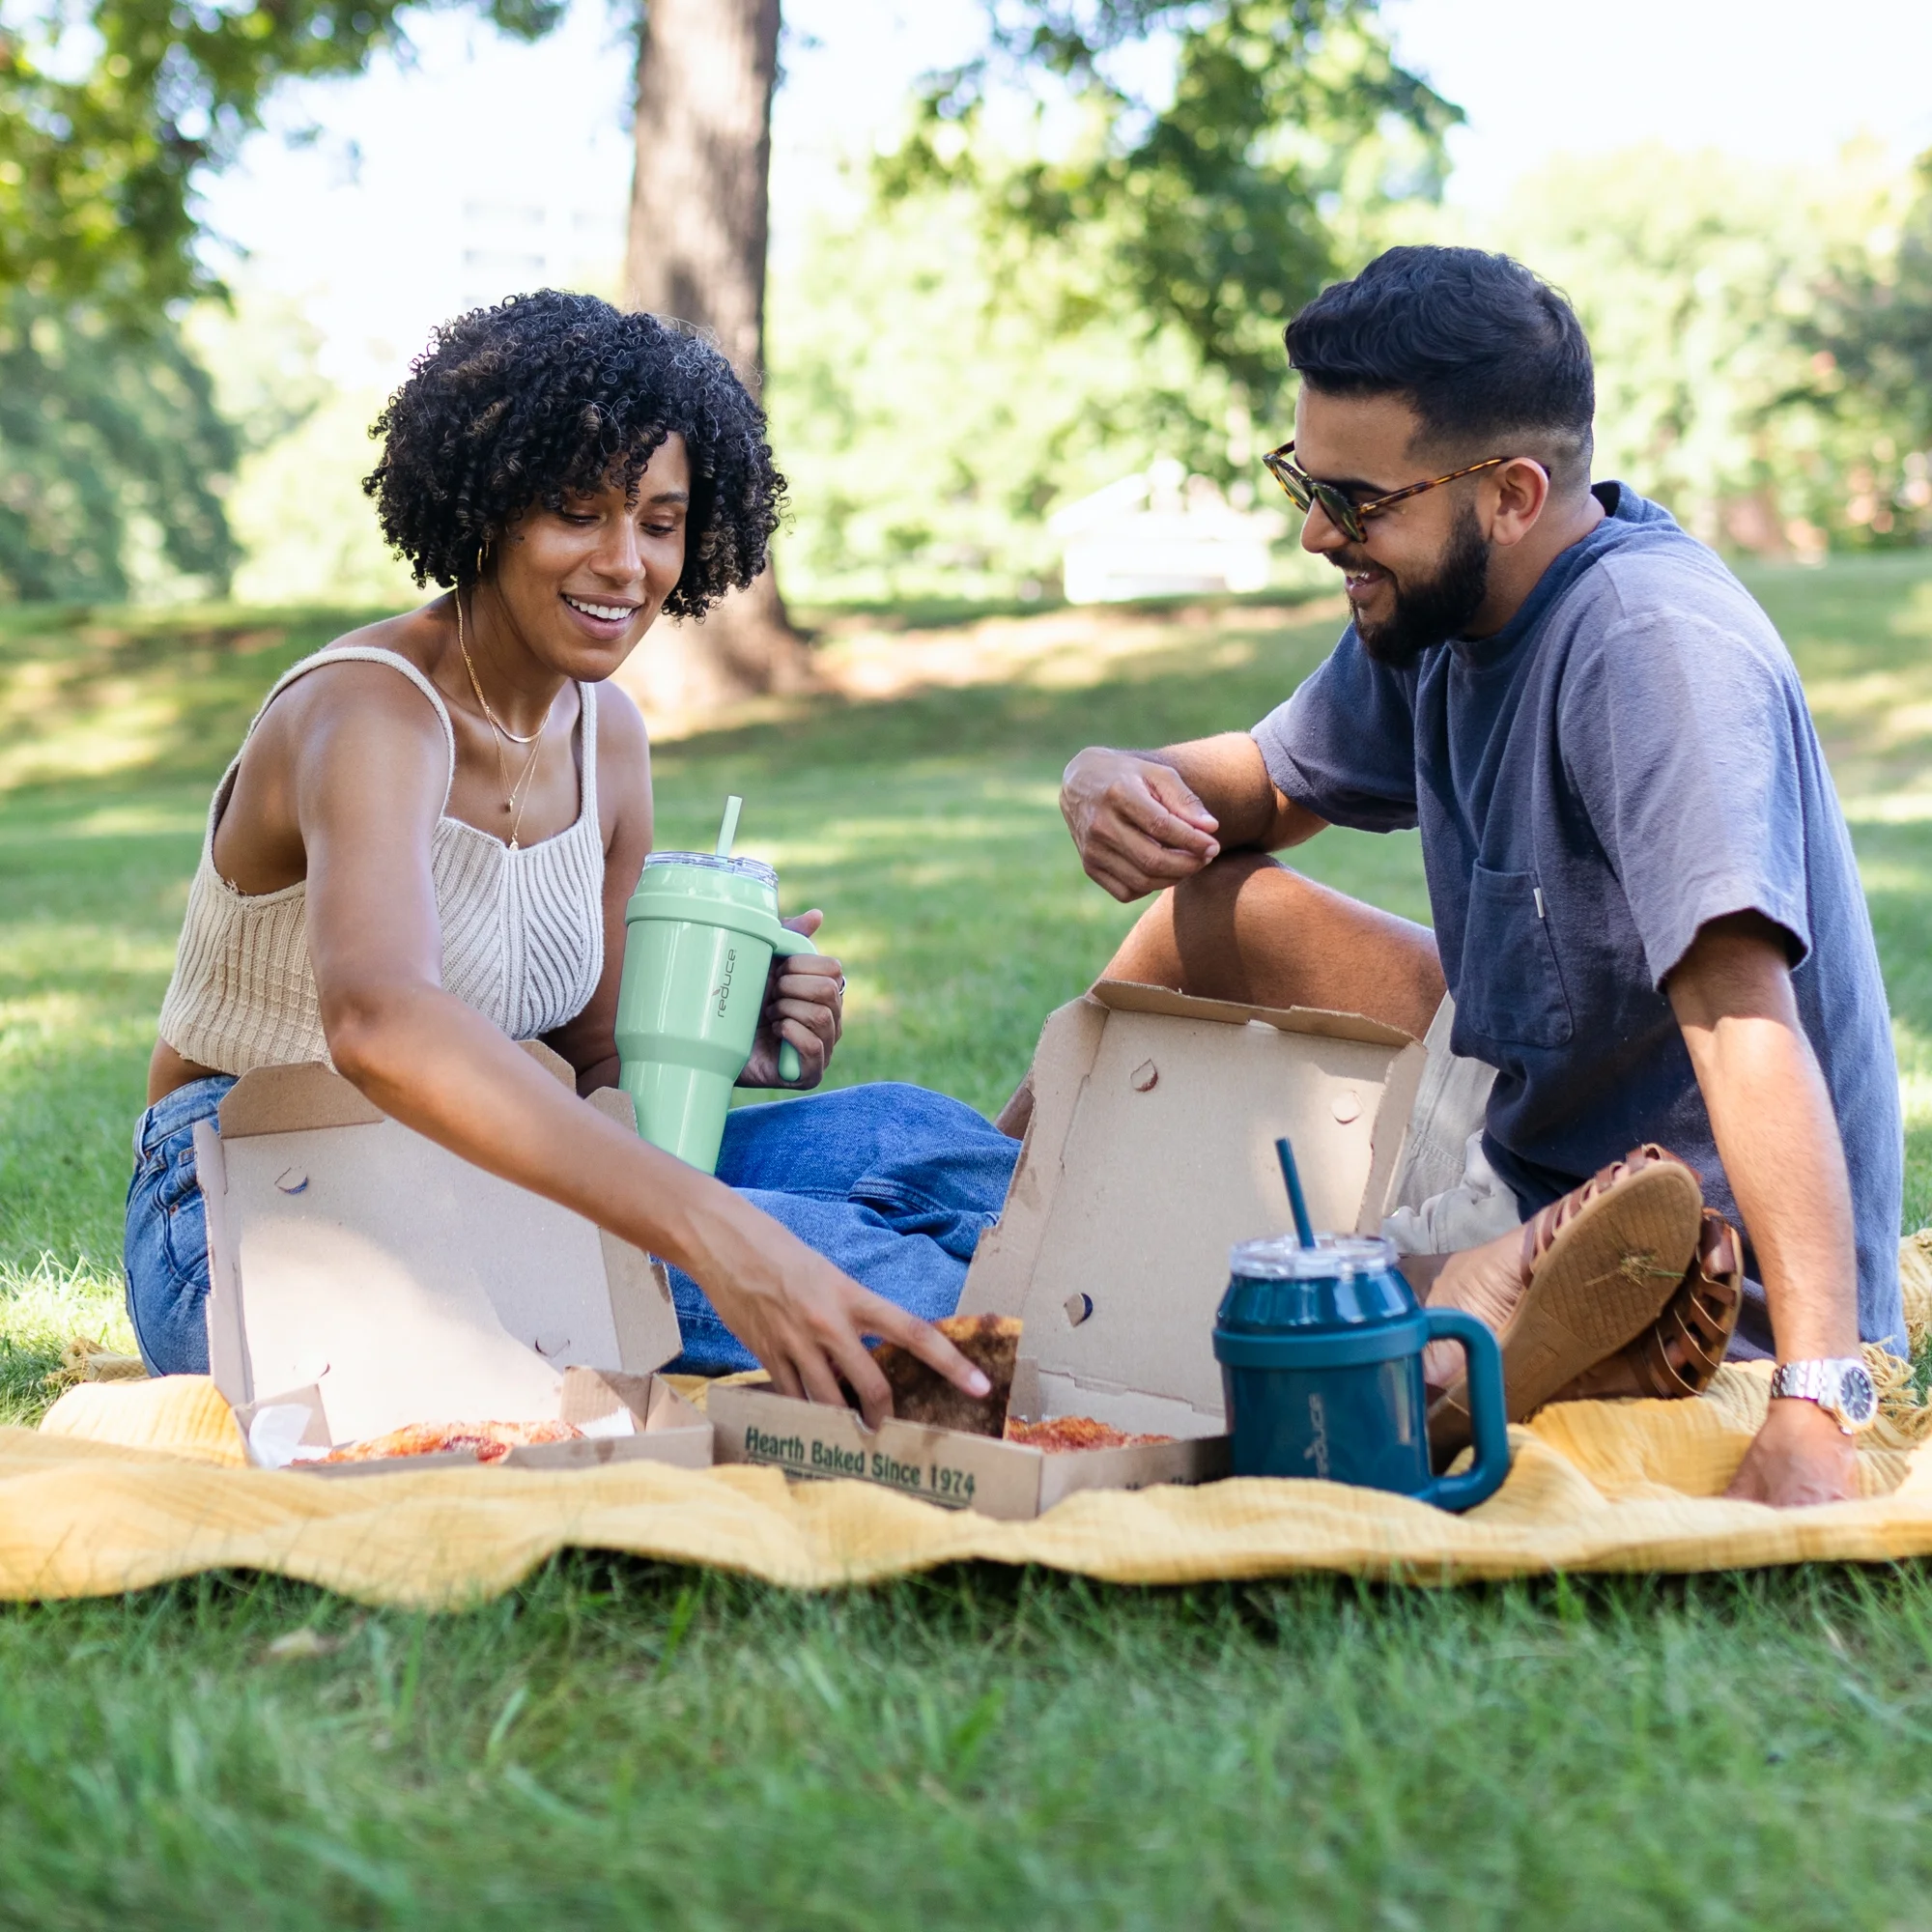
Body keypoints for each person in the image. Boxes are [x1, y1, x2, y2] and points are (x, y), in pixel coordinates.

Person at [1022, 246, 1902, 1508]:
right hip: (1524, 1150)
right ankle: (1018, 1204)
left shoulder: (1651, 652)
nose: (1322, 531)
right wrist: (1113, 771)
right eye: (1304, 482)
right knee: (1207, 911)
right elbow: (1268, 789)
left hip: (1692, 1255)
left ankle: (1461, 1310)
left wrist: (1821, 1402)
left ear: (1512, 492)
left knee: (1226, 1343)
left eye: (1357, 501)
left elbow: (1748, 1028)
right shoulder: (1435, 610)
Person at [125, 291, 1018, 1422]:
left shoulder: (610, 737)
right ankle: (1084, 1364)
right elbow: (381, 1020)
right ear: (486, 507)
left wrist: (710, 1040)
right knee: (869, 1271)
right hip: (254, 1197)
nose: (623, 562)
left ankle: (1136, 1298)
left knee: (924, 1143)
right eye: (575, 511)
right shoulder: (367, 713)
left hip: (474, 1168)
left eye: (657, 519)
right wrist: (722, 1235)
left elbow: (596, 1073)